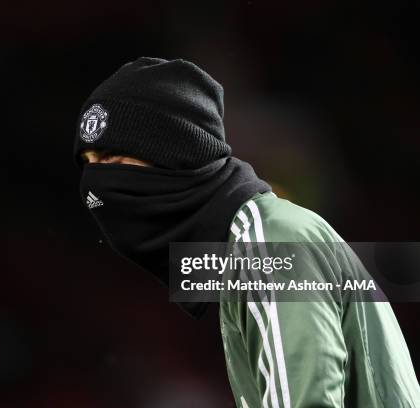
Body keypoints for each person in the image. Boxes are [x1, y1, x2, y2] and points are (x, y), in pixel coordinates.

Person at [73, 57, 420, 407]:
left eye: (113, 159)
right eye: (88, 162)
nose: (97, 182)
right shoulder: (251, 240)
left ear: (173, 153)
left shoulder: (268, 244)